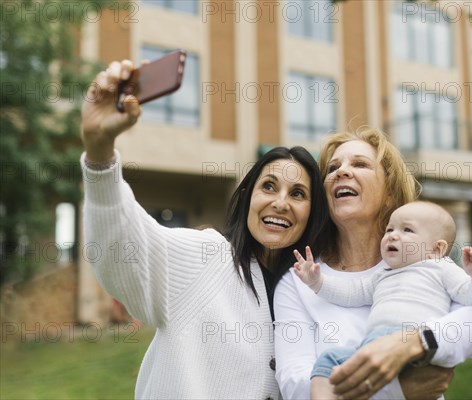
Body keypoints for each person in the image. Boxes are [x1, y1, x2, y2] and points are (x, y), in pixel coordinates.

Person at [80, 60, 329, 399]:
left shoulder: (316, 288)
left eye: (298, 194)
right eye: (268, 186)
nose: (281, 202)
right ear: (247, 198)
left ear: (312, 213)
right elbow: (124, 250)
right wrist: (99, 152)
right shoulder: (206, 257)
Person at [274, 129, 472, 400]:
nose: (341, 172)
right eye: (333, 168)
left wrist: (413, 343)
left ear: (389, 192)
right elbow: (295, 383)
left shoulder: (421, 260)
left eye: (359, 164)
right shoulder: (299, 281)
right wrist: (398, 390)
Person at [293, 201, 472, 399]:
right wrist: (317, 281)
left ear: (437, 249)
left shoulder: (441, 267)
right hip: (371, 348)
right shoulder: (383, 273)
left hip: (413, 351)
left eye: (407, 230)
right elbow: (350, 292)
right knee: (329, 360)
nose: (393, 236)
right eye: (389, 230)